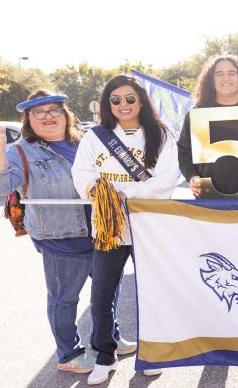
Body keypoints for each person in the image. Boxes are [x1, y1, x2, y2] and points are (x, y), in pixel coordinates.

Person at [0, 91, 133, 374]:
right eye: (39, 112)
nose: (48, 116)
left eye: (54, 110)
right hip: (62, 240)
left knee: (106, 294)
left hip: (105, 233)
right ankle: (69, 353)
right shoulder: (20, 151)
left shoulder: (88, 142)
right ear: (28, 119)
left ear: (66, 114)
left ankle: (109, 340)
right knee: (65, 299)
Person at [72, 74, 179, 384]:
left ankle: (152, 353)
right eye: (115, 99)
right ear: (108, 104)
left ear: (141, 101)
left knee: (150, 293)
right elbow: (81, 173)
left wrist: (123, 192)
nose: (123, 105)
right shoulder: (95, 137)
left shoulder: (160, 135)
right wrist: (97, 190)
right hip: (108, 227)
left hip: (149, 226)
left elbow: (165, 182)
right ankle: (105, 356)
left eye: (130, 99)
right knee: (101, 295)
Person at [177, 55, 238, 199]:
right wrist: (192, 177)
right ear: (211, 80)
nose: (226, 78)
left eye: (231, 73)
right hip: (209, 201)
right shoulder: (196, 115)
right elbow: (184, 152)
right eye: (219, 74)